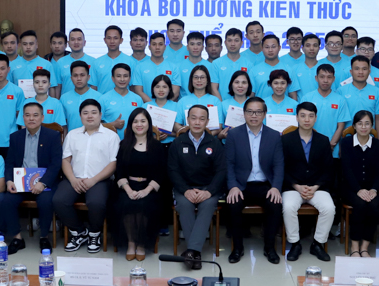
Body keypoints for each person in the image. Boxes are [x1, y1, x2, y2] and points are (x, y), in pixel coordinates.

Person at [55, 99, 119, 253]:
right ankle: (79, 232)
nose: (90, 116)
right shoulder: (72, 134)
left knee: (96, 203)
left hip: (100, 180)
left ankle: (94, 234)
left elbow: (113, 163)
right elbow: (65, 160)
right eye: (85, 113)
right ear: (80, 116)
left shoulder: (111, 136)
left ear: (100, 115)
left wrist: (94, 180)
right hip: (74, 178)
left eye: (93, 112)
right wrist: (72, 179)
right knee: (59, 200)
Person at [225, 97, 284, 264]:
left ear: (265, 114)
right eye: (250, 112)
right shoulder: (234, 135)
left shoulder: (274, 135)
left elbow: (279, 165)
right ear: (244, 114)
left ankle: (270, 248)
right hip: (241, 185)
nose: (254, 115)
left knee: (275, 204)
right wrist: (233, 186)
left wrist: (275, 187)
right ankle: (237, 248)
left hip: (265, 185)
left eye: (258, 112)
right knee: (233, 204)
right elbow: (228, 164)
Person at [168, 105, 227, 269]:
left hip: (208, 188)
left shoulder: (215, 143)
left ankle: (191, 251)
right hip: (184, 188)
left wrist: (209, 191)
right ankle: (195, 252)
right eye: (193, 118)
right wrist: (185, 190)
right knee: (185, 205)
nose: (197, 122)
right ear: (187, 120)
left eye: (202, 119)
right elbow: (172, 170)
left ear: (207, 122)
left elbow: (222, 171)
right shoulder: (177, 143)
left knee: (207, 205)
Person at [5, 102, 63, 253]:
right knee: (7, 200)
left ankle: (44, 237)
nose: (31, 118)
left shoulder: (53, 136)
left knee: (46, 200)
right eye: (27, 115)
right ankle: (17, 238)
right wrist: (9, 180)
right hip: (21, 183)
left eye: (35, 115)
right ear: (22, 118)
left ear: (42, 117)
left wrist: (43, 183)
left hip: (44, 182)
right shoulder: (15, 137)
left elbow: (56, 164)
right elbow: (9, 162)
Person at [282, 102, 334, 261]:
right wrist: (296, 186)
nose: (307, 119)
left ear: (315, 118)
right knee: (288, 207)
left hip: (317, 187)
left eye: (311, 116)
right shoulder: (286, 140)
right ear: (297, 117)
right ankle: (295, 244)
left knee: (329, 208)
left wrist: (316, 186)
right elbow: (281, 168)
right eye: (303, 116)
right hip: (293, 186)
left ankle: (317, 244)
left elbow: (328, 169)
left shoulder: (323, 140)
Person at [114, 108, 166, 261]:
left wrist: (147, 190)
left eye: (143, 121)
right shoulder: (124, 144)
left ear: (149, 124)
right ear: (130, 125)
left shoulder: (157, 146)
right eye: (135, 121)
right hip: (128, 186)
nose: (139, 124)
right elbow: (119, 171)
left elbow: (161, 172)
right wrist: (129, 190)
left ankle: (142, 244)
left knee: (145, 204)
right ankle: (131, 243)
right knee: (126, 203)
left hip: (149, 188)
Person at [342, 110, 379, 258]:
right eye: (360, 123)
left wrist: (374, 189)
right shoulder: (346, 143)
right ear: (354, 126)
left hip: (372, 188)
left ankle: (365, 247)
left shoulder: (378, 145)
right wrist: (358, 190)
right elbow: (346, 170)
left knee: (373, 205)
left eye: (367, 123)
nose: (363, 127)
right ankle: (354, 246)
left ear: (372, 126)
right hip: (351, 188)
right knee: (360, 205)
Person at [298, 64, 349, 155]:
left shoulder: (340, 100)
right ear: (316, 78)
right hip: (309, 149)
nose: (325, 80)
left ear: (333, 79)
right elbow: (301, 124)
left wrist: (331, 145)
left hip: (333, 150)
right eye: (322, 77)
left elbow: (341, 127)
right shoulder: (307, 98)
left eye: (329, 77)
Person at [99, 63, 145, 139]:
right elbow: (95, 125)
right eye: (118, 76)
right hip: (109, 141)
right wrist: (113, 124)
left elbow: (144, 121)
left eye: (125, 76)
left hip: (134, 141)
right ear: (113, 78)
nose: (122, 79)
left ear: (129, 79)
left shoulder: (137, 99)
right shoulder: (103, 99)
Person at [250, 35, 301, 99]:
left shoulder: (288, 69)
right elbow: (250, 96)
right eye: (267, 47)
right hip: (261, 105)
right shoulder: (254, 70)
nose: (270, 50)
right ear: (262, 48)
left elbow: (293, 96)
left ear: (279, 48)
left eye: (273, 47)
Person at [8, 31, 57, 98]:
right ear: (20, 46)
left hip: (41, 103)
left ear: (36, 45)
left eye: (31, 44)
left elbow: (52, 87)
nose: (28, 47)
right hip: (19, 102)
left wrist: (52, 103)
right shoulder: (12, 65)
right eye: (25, 44)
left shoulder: (46, 64)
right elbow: (9, 87)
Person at [178, 65, 223, 136]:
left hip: (210, 140)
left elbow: (219, 127)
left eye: (202, 77)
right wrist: (188, 136)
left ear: (207, 80)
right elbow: (176, 125)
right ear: (191, 80)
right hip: (187, 139)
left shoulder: (215, 101)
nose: (199, 80)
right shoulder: (182, 101)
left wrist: (205, 138)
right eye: (196, 77)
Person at [134, 32, 180, 102]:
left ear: (165, 47)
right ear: (149, 47)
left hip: (168, 107)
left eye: (160, 44)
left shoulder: (173, 68)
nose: (157, 47)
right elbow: (138, 91)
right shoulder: (140, 67)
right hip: (146, 107)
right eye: (154, 44)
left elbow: (175, 92)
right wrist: (153, 106)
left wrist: (164, 105)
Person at [93, 26, 138, 94]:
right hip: (102, 100)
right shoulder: (97, 62)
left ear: (121, 40)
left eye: (115, 38)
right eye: (109, 38)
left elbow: (133, 87)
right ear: (105, 40)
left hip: (124, 100)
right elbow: (93, 88)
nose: (112, 41)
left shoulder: (131, 61)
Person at [60, 61, 103, 132]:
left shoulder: (99, 97)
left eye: (82, 75)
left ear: (88, 77)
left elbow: (102, 122)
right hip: (72, 137)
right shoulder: (64, 98)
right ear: (71, 78)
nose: (79, 78)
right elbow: (63, 125)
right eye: (75, 75)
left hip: (94, 137)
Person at [339, 55, 379, 122]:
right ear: (351, 71)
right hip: (347, 129)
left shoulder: (377, 92)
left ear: (369, 72)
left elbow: (378, 118)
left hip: (370, 129)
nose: (361, 72)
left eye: (364, 69)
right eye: (357, 69)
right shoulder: (341, 91)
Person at [179, 31, 221, 99]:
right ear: (187, 47)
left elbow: (214, 90)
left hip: (205, 103)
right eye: (192, 44)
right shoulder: (178, 67)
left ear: (203, 47)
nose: (195, 47)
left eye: (198, 44)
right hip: (184, 104)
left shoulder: (211, 66)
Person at [55, 29, 96, 97]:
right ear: (68, 43)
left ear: (84, 42)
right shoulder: (60, 62)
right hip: (66, 101)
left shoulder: (93, 62)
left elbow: (94, 86)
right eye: (73, 39)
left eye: (79, 39)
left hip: (87, 101)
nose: (76, 42)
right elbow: (58, 86)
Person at [146, 75, 184, 143]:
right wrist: (153, 137)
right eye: (157, 87)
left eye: (164, 87)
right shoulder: (146, 106)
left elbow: (182, 131)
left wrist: (169, 133)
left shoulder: (177, 106)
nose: (161, 90)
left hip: (172, 144)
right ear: (152, 89)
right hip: (150, 144)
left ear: (170, 89)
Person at [218, 71, 252, 142]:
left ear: (248, 85)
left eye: (244, 82)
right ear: (231, 84)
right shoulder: (223, 104)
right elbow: (219, 129)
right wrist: (221, 135)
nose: (240, 85)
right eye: (237, 82)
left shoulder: (254, 104)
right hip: (228, 143)